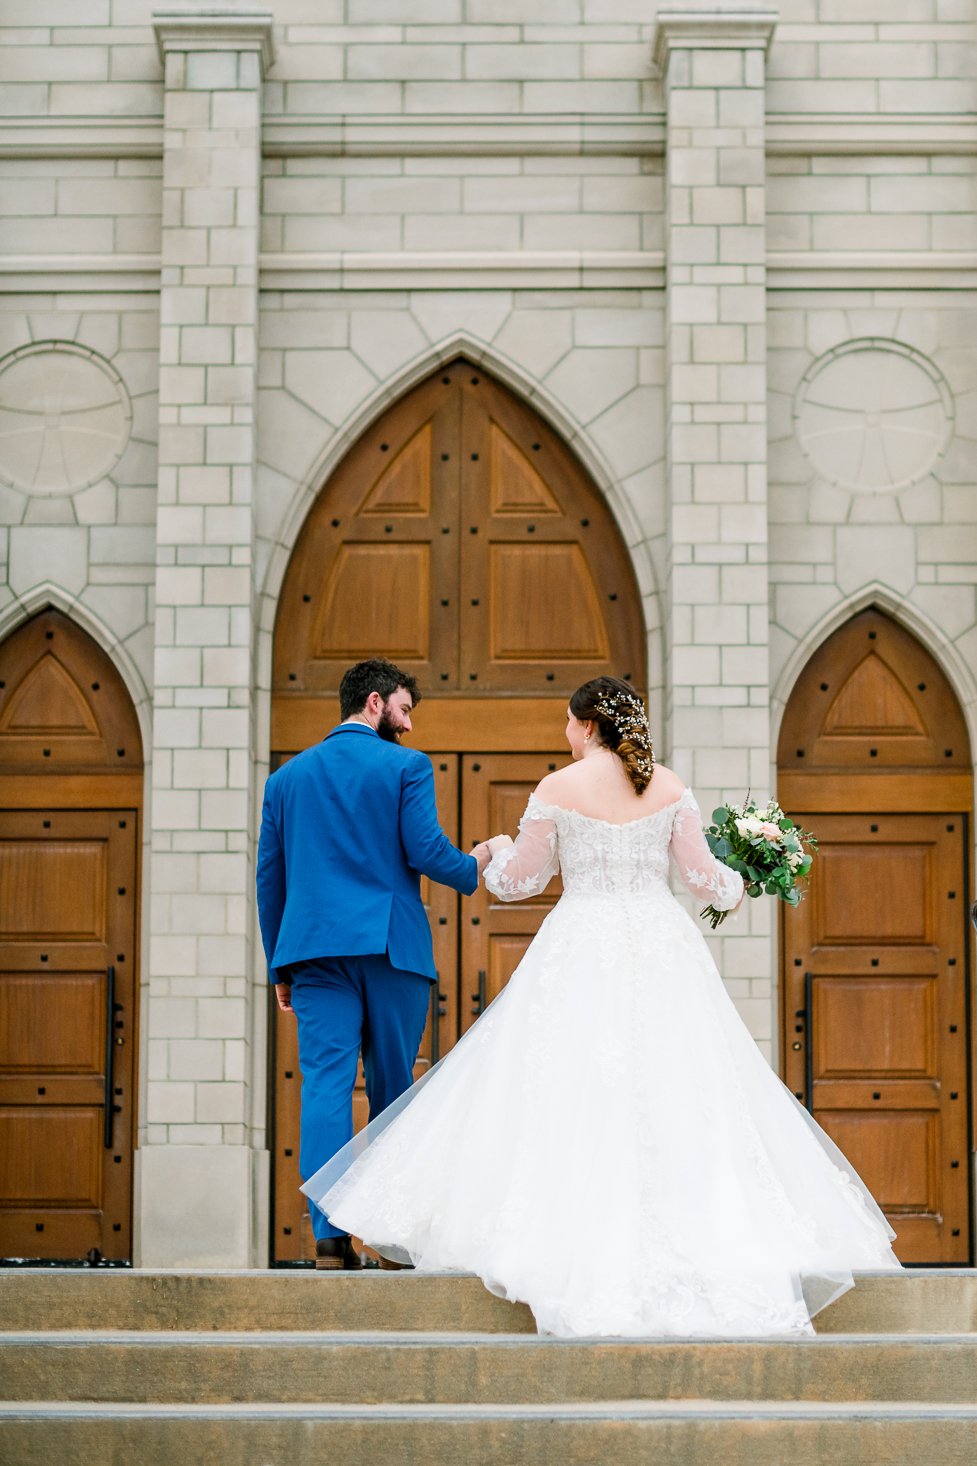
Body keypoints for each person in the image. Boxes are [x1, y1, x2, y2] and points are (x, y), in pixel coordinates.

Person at [302, 675, 901, 1333]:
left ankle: (561, 1239)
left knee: (566, 1085)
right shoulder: (668, 786)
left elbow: (517, 883)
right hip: (660, 944)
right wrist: (747, 872)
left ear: (587, 725)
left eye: (567, 721)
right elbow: (707, 882)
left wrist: (499, 850)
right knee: (683, 1088)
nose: (564, 732)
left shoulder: (558, 789)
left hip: (580, 939)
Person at [257, 657, 493, 1269]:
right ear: (374, 703)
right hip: (391, 952)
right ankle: (390, 1242)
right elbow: (426, 851)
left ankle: (329, 1239)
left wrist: (281, 968)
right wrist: (478, 862)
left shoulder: (284, 781)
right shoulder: (406, 767)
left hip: (313, 958)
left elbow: (270, 881)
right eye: (405, 709)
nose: (409, 727)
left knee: (326, 1090)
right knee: (393, 1093)